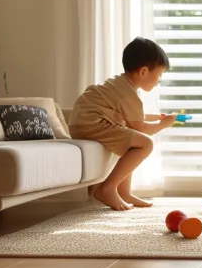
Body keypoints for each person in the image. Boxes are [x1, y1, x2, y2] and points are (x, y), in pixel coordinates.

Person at [69, 37, 177, 211]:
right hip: (93, 123)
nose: (159, 81)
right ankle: (107, 188)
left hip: (83, 122)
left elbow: (132, 117)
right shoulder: (129, 95)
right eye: (159, 75)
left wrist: (156, 117)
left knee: (131, 143)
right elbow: (140, 127)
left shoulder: (121, 85)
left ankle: (123, 191)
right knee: (145, 144)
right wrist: (163, 124)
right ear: (143, 72)